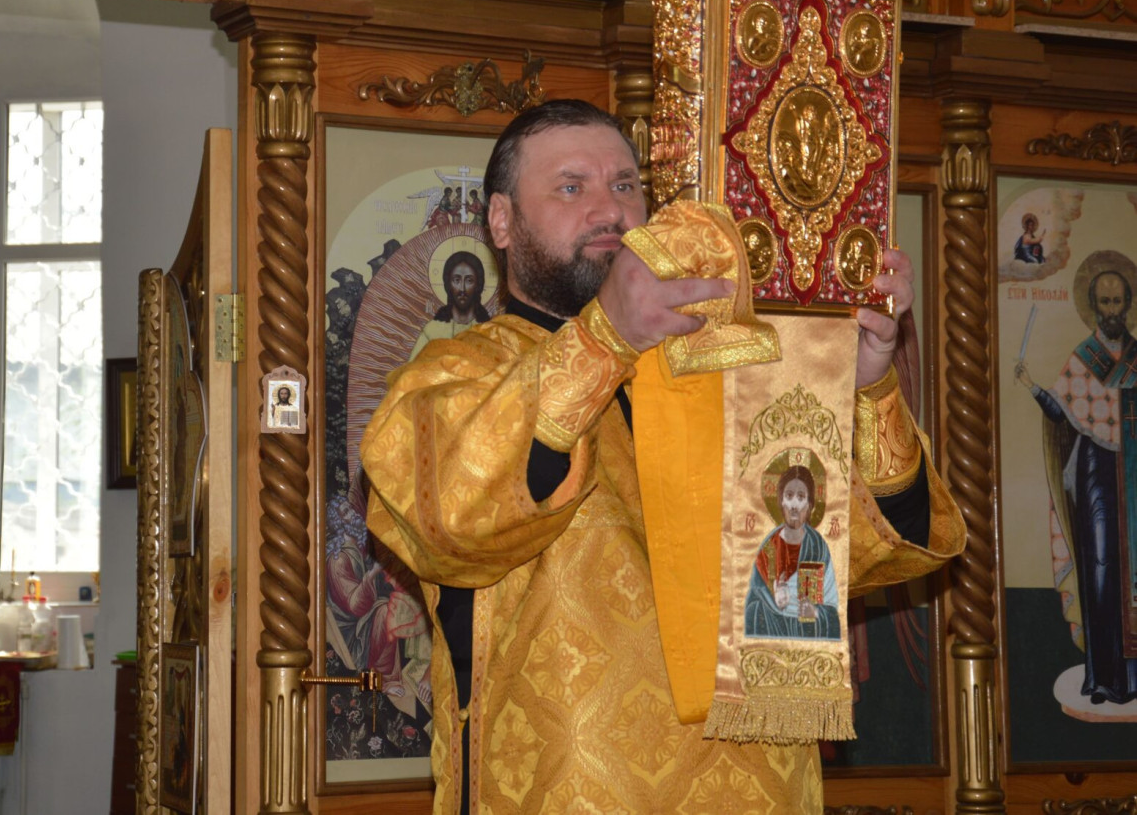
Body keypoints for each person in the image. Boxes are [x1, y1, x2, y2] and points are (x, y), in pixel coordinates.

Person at [361, 99, 966, 814]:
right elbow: (454, 520)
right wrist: (605, 338)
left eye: (625, 185)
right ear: (501, 221)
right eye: (571, 186)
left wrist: (864, 389)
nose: (609, 209)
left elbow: (873, 554)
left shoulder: (733, 381)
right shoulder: (453, 378)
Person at [1015, 259, 1137, 705]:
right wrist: (1033, 387)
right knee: (1101, 570)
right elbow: (1062, 412)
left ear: (1128, 304)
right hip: (1097, 476)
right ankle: (1103, 677)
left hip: (1134, 477)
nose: (1112, 309)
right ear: (1093, 306)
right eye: (1104, 301)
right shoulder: (1084, 359)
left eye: (1118, 301)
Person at [744, 463, 841, 640]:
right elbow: (752, 604)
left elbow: (834, 611)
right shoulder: (768, 549)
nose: (794, 505)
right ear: (781, 501)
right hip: (772, 628)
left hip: (808, 632)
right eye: (789, 496)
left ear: (810, 505)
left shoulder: (818, 548)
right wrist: (773, 600)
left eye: (801, 497)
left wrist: (816, 612)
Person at [408, 250, 492, 359]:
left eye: (469, 281)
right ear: (448, 284)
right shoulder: (432, 331)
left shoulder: (489, 332)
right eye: (456, 280)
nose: (462, 289)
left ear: (478, 285)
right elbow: (414, 367)